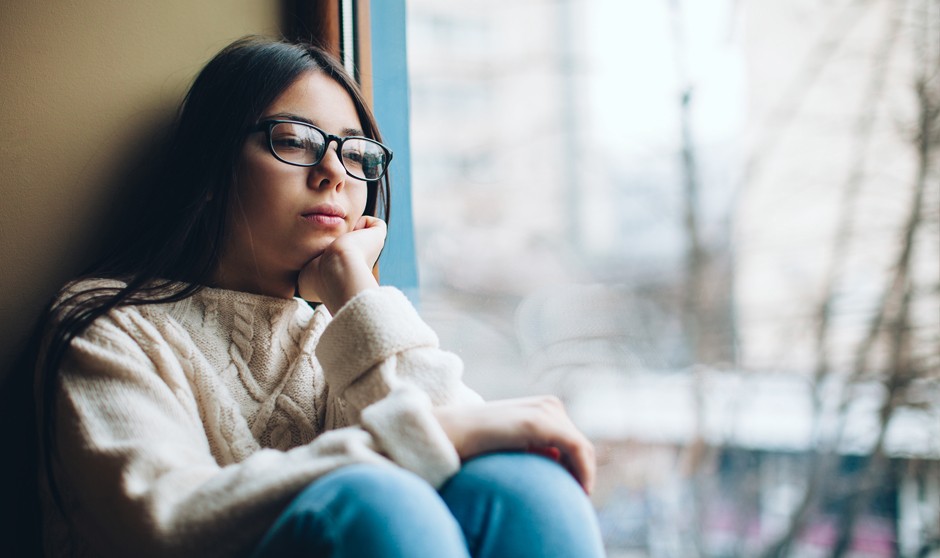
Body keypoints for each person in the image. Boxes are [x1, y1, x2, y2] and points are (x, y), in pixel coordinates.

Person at [31, 36, 605, 558]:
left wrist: (354, 289)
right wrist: (435, 435)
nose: (335, 171)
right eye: (295, 141)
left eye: (357, 154)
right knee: (376, 500)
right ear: (211, 169)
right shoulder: (106, 325)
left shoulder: (336, 336)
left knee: (528, 487)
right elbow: (168, 521)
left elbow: (447, 439)